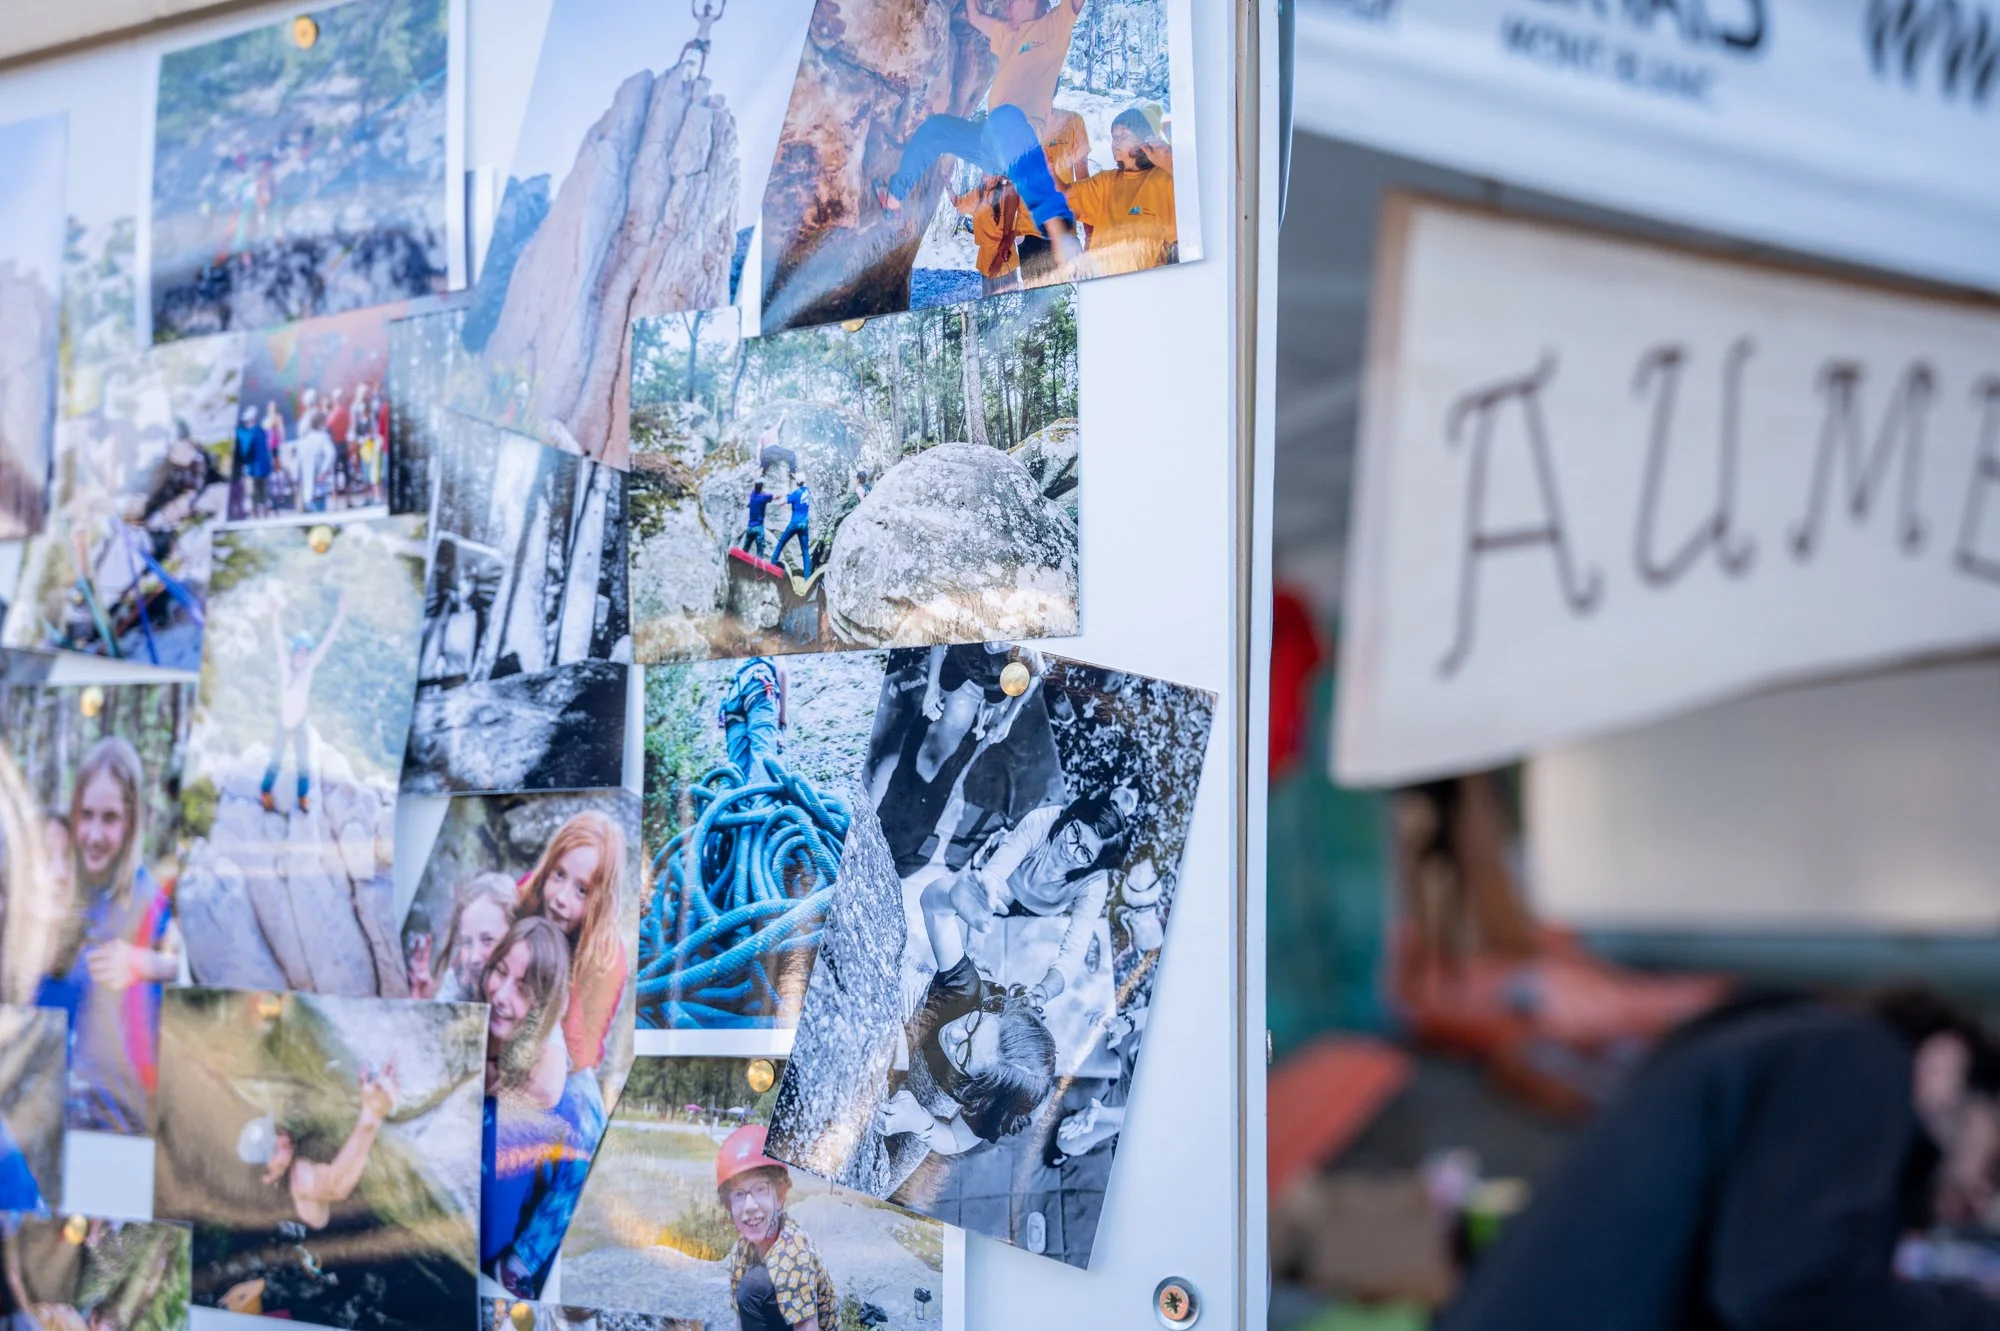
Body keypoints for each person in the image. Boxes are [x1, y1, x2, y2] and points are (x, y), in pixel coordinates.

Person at [1438, 989, 2000, 1331]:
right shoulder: (1857, 1057)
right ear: (1946, 1065)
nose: (1983, 1201)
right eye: (1995, 1162)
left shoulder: (1777, 1056)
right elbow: (1793, 1288)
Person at [33, 738, 182, 1135]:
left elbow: (194, 972)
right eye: (87, 815)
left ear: (132, 821)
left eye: (111, 818)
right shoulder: (59, 881)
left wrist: (143, 963)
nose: (95, 834)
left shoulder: (148, 900)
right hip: (44, 1118)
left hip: (115, 1125)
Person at [879, 0, 1088, 267]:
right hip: (989, 144)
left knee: (1005, 117)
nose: (1008, 6)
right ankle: (894, 197)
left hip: (1019, 138)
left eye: (1013, 1)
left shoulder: (1052, 27)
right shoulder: (1006, 33)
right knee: (935, 129)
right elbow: (975, 15)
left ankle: (1057, 228)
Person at [877, 861, 1057, 1158]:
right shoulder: (967, 993)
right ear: (993, 1011)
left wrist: (920, 1123)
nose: (955, 1033)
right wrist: (951, 893)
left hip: (928, 1104)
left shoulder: (990, 1102)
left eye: (965, 1054)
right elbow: (933, 910)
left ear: (978, 1089)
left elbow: (957, 1141)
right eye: (974, 1023)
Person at [481, 916, 605, 1297]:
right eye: (499, 973)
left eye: (521, 989)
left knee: (584, 1137)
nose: (502, 994)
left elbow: (549, 1089)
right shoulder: (483, 1000)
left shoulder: (561, 1088)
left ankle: (520, 1265)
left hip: (571, 1114)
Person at [934, 787, 1132, 1003]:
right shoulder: (1042, 821)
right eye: (1075, 832)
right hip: (1007, 884)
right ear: (1071, 817)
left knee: (1055, 934)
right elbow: (993, 876)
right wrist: (973, 947)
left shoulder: (1094, 883)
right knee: (988, 892)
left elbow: (1073, 953)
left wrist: (1042, 993)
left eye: (1084, 853)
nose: (1069, 849)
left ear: (1094, 866)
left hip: (1043, 909)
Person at [516, 812, 627, 1075]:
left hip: (564, 1062)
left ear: (600, 902)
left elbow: (582, 1057)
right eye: (559, 874)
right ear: (547, 869)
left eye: (582, 890)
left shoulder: (609, 960)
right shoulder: (526, 895)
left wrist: (566, 988)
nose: (561, 899)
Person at [233, 1057, 400, 1230]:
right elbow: (336, 1186)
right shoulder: (298, 1186)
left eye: (275, 1132)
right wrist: (372, 1115)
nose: (283, 1139)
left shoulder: (291, 1146)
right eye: (275, 1149)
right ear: (269, 1177)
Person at [717, 1124, 839, 1331]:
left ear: (780, 1195)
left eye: (760, 1189)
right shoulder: (742, 1250)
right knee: (751, 1288)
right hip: (777, 1320)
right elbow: (740, 1320)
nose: (750, 1207)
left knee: (753, 1287)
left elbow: (808, 1327)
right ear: (729, 1206)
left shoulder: (795, 1253)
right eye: (738, 1194)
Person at [1060, 106, 1178, 277]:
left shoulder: (1165, 179)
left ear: (1144, 138)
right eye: (1114, 137)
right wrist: (1045, 169)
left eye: (1123, 136)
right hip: (1100, 286)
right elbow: (1063, 194)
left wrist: (1166, 155)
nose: (1116, 142)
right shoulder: (1105, 181)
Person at [259, 593, 349, 815]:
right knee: (275, 762)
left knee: (304, 765)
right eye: (299, 654)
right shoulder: (285, 669)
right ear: (293, 655)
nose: (302, 658)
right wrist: (274, 614)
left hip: (300, 723)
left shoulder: (308, 671)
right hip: (283, 722)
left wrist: (341, 615)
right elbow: (278, 640)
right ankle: (265, 792)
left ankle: (303, 797)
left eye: (306, 654)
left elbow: (327, 642)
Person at [410, 871, 516, 1002]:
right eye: (467, 942)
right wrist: (424, 1008)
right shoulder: (456, 981)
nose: (474, 958)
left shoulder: (529, 1000)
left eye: (488, 940)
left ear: (514, 938)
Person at [717, 657, 786, 785]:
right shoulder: (772, 639)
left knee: (736, 767)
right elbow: (782, 672)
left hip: (733, 699)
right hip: (758, 687)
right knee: (763, 755)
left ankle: (726, 803)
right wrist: (782, 717)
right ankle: (765, 804)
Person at [771, 479, 813, 578]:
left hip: (795, 524)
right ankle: (807, 577)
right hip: (804, 524)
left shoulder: (795, 493)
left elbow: (783, 502)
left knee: (781, 542)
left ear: (796, 482)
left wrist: (779, 498)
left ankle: (772, 564)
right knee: (805, 550)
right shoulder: (807, 491)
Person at [260, 402, 288, 513]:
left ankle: (279, 493)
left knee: (277, 471)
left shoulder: (277, 418)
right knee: (272, 472)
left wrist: (283, 442)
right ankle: (274, 494)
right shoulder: (266, 420)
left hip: (276, 447)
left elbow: (281, 431)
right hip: (269, 448)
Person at [739, 481, 774, 559]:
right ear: (761, 488)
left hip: (750, 527)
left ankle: (741, 560)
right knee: (760, 548)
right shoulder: (763, 497)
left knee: (746, 547)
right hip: (758, 527)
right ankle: (759, 563)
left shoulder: (752, 495)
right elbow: (772, 497)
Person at [755, 412, 797, 478]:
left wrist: (757, 459)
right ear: (770, 426)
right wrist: (784, 413)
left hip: (766, 453)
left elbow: (759, 449)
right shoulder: (774, 429)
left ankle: (758, 483)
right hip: (775, 449)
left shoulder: (762, 435)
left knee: (761, 471)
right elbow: (781, 421)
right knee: (792, 455)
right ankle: (792, 474)